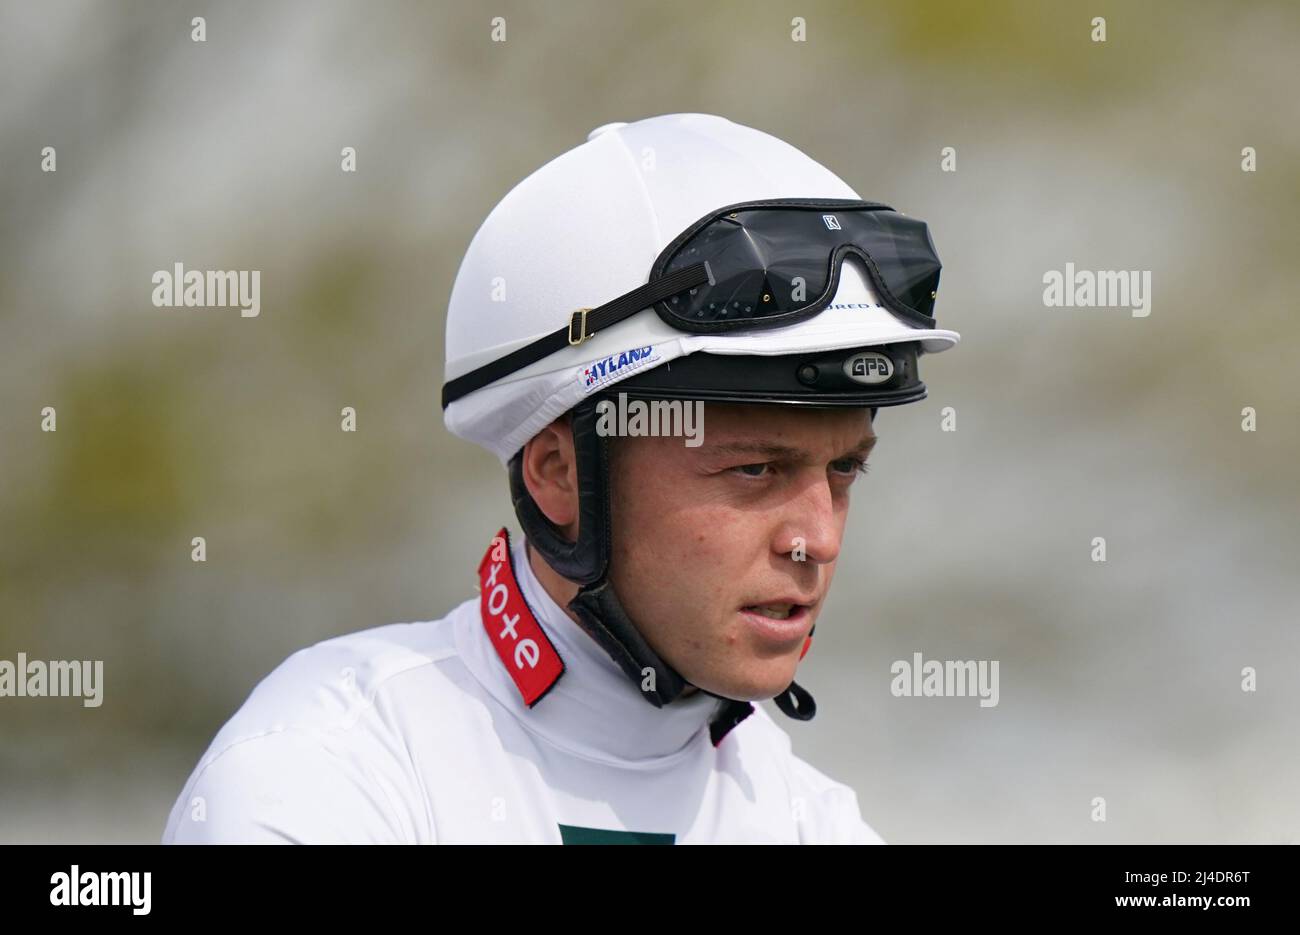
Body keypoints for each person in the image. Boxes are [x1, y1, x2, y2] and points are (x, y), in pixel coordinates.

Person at [162, 113, 960, 844]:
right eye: (754, 468)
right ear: (558, 472)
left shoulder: (814, 823)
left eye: (844, 470)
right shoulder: (327, 765)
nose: (815, 537)